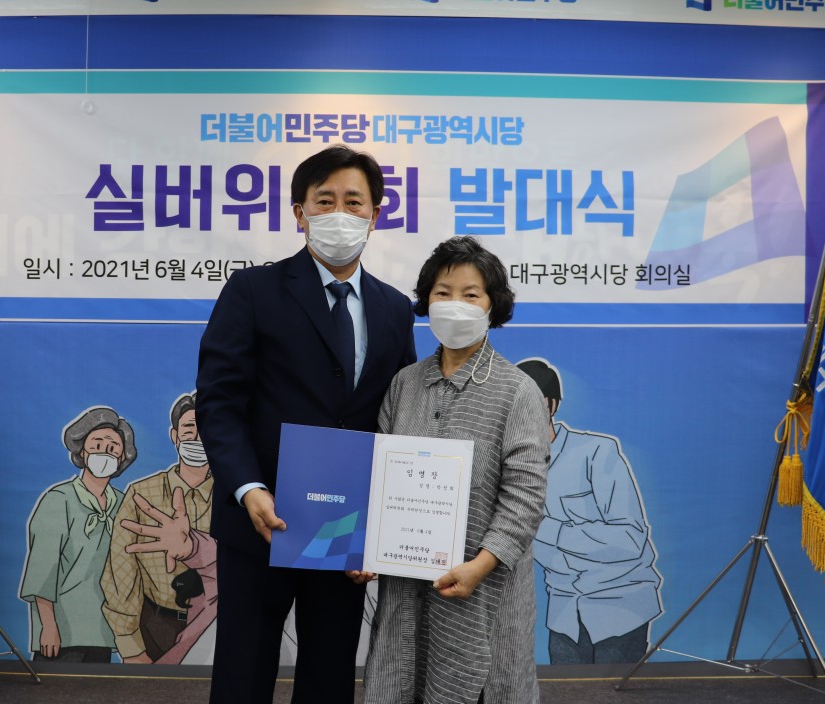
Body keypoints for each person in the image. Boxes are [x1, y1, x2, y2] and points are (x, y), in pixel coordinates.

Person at [196, 144, 417, 704]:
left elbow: (399, 418)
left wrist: (383, 527)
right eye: (325, 200)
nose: (340, 213)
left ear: (375, 214)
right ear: (300, 212)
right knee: (243, 674)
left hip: (345, 530)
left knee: (330, 674)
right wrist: (248, 488)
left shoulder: (395, 309)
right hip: (261, 521)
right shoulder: (252, 291)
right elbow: (219, 402)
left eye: (354, 202)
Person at [363, 235, 551, 704]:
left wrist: (479, 566)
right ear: (426, 301)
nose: (455, 305)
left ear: (492, 305)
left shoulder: (517, 390)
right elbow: (377, 476)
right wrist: (365, 548)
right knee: (402, 680)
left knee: (481, 683)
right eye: (443, 293)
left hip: (482, 590)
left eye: (471, 294)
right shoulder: (404, 384)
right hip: (406, 587)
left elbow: (525, 499)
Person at [515, 358, 663, 665]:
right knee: (565, 688)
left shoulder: (596, 451)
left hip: (619, 606)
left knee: (613, 689)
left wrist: (543, 526)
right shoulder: (511, 467)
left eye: (531, 403)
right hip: (563, 612)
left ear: (552, 405)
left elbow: (629, 540)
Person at [101, 391, 216, 664]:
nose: (197, 438)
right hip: (156, 624)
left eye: (207, 429)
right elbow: (121, 571)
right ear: (175, 436)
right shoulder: (142, 493)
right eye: (189, 429)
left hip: (216, 622)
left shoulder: (235, 496)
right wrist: (130, 647)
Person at [20, 406, 137, 663]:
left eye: (113, 448)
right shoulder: (58, 499)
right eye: (97, 444)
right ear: (82, 450)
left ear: (122, 458)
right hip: (62, 631)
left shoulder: (123, 504)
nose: (105, 452)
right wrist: (48, 626)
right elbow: (42, 569)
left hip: (104, 630)